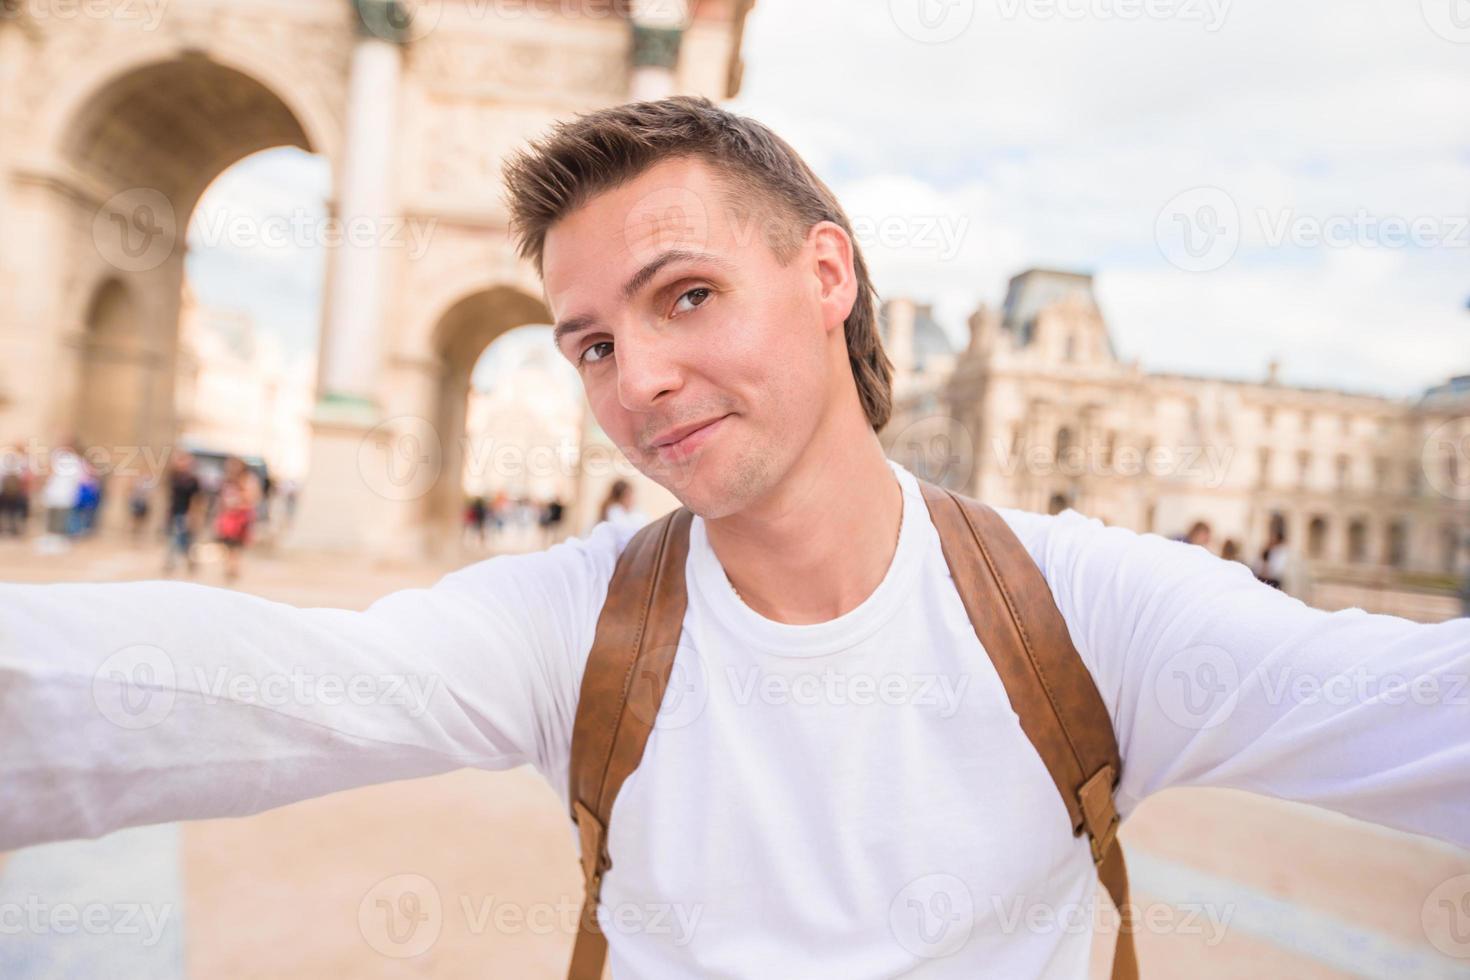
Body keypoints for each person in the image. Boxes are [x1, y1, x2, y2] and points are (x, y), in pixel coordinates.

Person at [0, 98, 1466, 980]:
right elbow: (194, 692)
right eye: (586, 344)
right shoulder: (570, 628)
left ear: (825, 271)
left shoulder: (1086, 608)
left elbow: (1422, 717)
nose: (632, 379)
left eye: (684, 294)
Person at [213, 455, 260, 584]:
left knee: (236, 545)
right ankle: (230, 567)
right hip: (228, 517)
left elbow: (253, 498)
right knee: (226, 544)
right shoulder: (227, 480)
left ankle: (233, 568)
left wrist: (239, 501)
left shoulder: (248, 480)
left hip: (241, 516)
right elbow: (222, 499)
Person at [163, 451, 202, 576]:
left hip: (185, 512)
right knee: (175, 537)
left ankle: (179, 561)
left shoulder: (192, 480)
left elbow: (196, 500)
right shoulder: (174, 477)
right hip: (175, 511)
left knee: (180, 539)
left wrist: (192, 515)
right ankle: (176, 561)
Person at [0, 442, 32, 537]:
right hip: (12, 490)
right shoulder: (20, 460)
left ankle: (11, 529)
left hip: (12, 491)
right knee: (12, 511)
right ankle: (12, 529)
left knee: (10, 511)